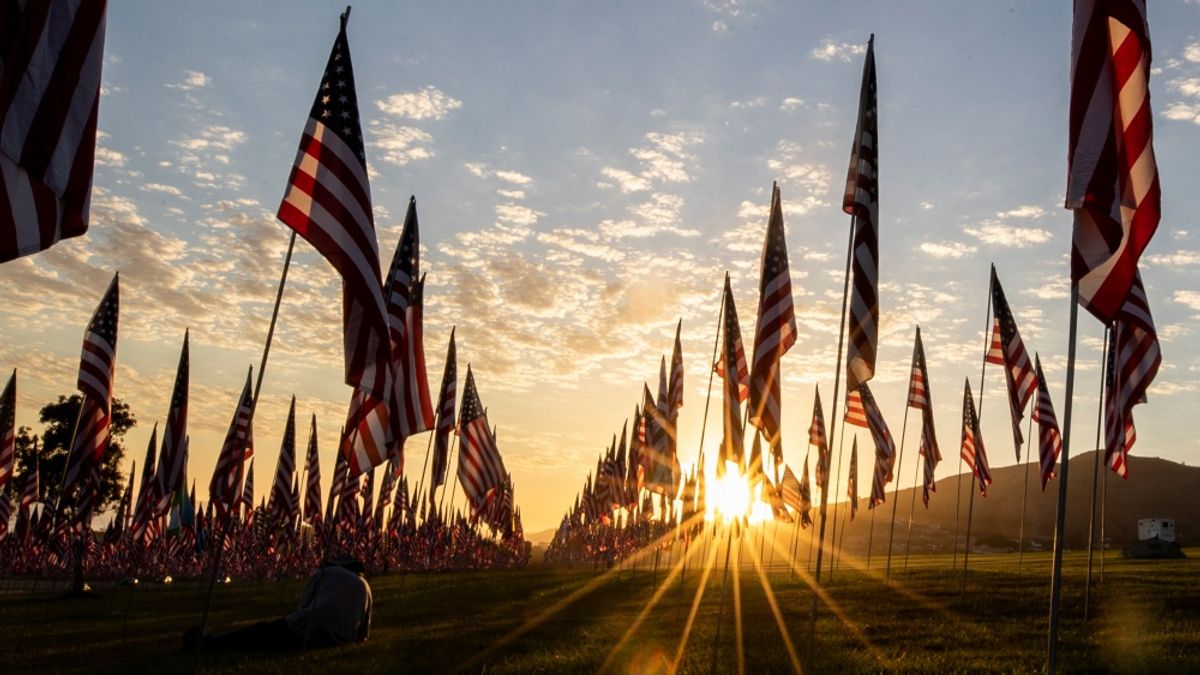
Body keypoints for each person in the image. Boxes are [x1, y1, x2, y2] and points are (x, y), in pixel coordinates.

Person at [185, 554, 373, 651]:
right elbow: (363, 635)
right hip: (338, 639)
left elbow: (303, 606)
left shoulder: (327, 573)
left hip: (306, 629)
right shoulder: (366, 588)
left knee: (259, 633)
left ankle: (208, 642)